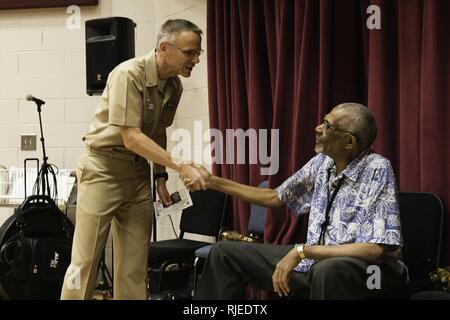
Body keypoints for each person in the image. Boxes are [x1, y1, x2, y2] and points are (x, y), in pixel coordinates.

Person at [186, 103, 408, 300]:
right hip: (315, 262)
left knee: (327, 272)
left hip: (374, 275)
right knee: (224, 253)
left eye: (327, 125)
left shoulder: (377, 168)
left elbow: (374, 250)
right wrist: (212, 181)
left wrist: (303, 251)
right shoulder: (322, 163)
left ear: (349, 141)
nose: (318, 128)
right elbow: (275, 197)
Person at [61, 19, 206, 300]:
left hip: (138, 175)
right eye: (190, 52)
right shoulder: (128, 74)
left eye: (199, 53)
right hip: (103, 168)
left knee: (134, 268)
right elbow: (131, 136)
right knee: (84, 263)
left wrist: (161, 176)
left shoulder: (174, 86)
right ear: (165, 47)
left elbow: (159, 131)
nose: (196, 59)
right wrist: (181, 165)